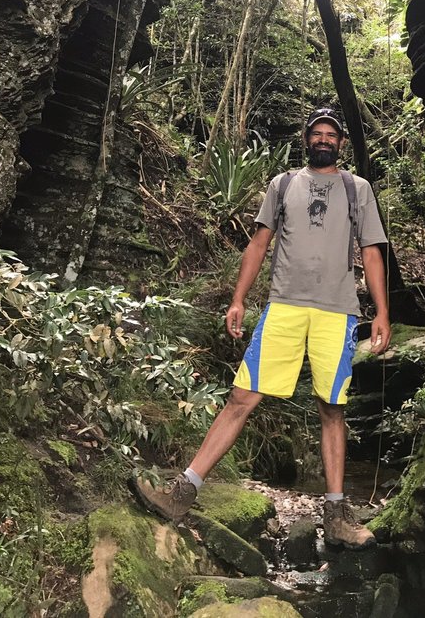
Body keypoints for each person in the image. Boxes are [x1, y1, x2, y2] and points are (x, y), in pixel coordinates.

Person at [132, 106, 391, 549]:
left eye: (331, 135)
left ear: (341, 144)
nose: (324, 140)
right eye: (317, 134)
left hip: (338, 311)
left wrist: (382, 312)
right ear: (306, 139)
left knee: (332, 407)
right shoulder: (283, 184)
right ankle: (183, 492)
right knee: (243, 397)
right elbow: (258, 244)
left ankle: (336, 515)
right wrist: (238, 298)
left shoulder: (358, 188)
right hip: (284, 308)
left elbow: (370, 251)